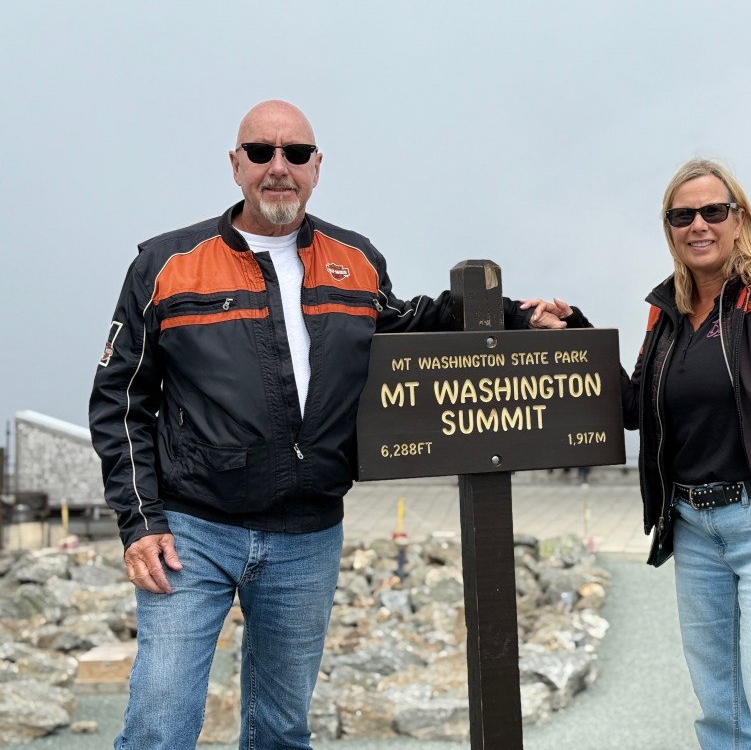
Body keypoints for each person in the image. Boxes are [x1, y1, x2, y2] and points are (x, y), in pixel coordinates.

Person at [88, 99, 572, 750]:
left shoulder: (356, 260)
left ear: (318, 167)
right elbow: (120, 397)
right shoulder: (167, 264)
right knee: (158, 726)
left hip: (307, 536)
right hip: (192, 533)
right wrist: (140, 523)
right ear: (236, 165)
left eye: (295, 154)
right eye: (261, 152)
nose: (278, 167)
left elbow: (408, 326)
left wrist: (515, 317)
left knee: (282, 731)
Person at [540, 158, 751, 748]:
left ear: (738, 218)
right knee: (722, 716)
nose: (698, 225)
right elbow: (636, 409)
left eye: (713, 211)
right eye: (681, 215)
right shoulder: (666, 308)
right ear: (668, 227)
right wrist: (576, 341)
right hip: (695, 529)